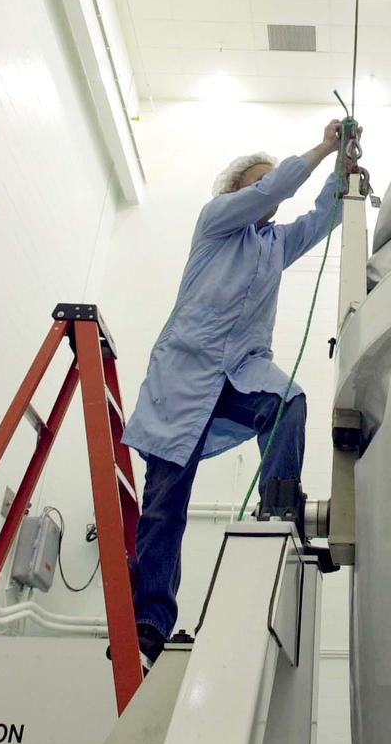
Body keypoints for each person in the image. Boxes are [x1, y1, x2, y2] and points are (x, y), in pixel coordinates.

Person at [122, 119, 355, 664]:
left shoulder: (274, 244)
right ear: (236, 191)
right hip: (184, 378)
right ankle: (150, 619)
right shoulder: (216, 221)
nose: (268, 192)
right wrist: (324, 146)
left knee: (287, 402)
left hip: (242, 372)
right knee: (164, 506)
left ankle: (278, 506)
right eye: (259, 183)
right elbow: (278, 189)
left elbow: (323, 216)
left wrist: (344, 167)